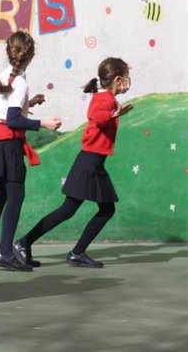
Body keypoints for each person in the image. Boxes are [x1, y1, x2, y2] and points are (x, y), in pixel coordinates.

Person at [15, 58, 133, 269]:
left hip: (95, 164)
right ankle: (24, 243)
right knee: (69, 209)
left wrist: (116, 112)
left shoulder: (108, 99)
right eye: (126, 78)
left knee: (104, 210)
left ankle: (76, 252)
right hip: (88, 163)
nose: (128, 82)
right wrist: (116, 113)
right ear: (117, 80)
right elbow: (97, 117)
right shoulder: (103, 99)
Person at [0, 31, 61, 271]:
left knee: (1, 193)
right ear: (31, 56)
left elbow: (4, 110)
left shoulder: (3, 76)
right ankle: (4, 253)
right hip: (8, 144)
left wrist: (29, 104)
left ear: (8, 52)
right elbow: (12, 120)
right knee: (16, 196)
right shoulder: (20, 82)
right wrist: (44, 123)